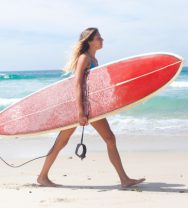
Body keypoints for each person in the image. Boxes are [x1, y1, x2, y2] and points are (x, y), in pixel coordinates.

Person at [37, 27, 145, 188]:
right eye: (98, 38)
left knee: (64, 142)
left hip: (91, 106)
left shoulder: (93, 60)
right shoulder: (84, 58)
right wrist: (80, 111)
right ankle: (124, 179)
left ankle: (42, 177)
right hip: (83, 107)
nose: (102, 40)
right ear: (89, 41)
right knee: (106, 139)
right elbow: (77, 84)